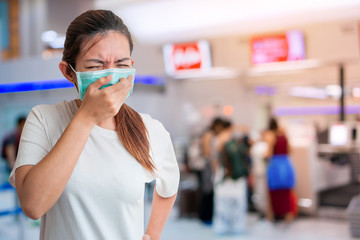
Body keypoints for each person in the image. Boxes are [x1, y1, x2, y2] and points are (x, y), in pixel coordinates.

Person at [9, 10, 179, 240]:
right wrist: (87, 116)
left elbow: (169, 187)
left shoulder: (150, 129)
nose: (110, 75)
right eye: (95, 66)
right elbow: (33, 205)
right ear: (69, 72)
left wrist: (153, 233)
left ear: (131, 65)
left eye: (121, 64)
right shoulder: (44, 119)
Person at [263, 117, 296, 224]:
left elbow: (268, 153)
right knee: (286, 192)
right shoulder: (284, 136)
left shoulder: (271, 137)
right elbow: (290, 150)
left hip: (275, 166)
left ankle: (272, 216)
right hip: (286, 164)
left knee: (274, 192)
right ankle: (288, 216)